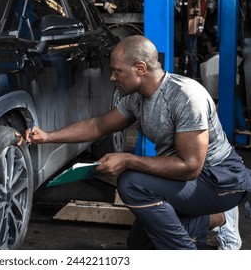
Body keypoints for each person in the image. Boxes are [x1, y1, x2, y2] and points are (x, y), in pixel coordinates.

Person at [17, 35, 250, 249]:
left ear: (140, 68)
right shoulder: (135, 99)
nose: (111, 77)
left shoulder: (186, 96)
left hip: (219, 182)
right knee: (139, 245)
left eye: (117, 71)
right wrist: (47, 136)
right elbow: (98, 125)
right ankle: (211, 219)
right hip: (186, 180)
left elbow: (191, 166)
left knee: (131, 182)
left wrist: (128, 160)